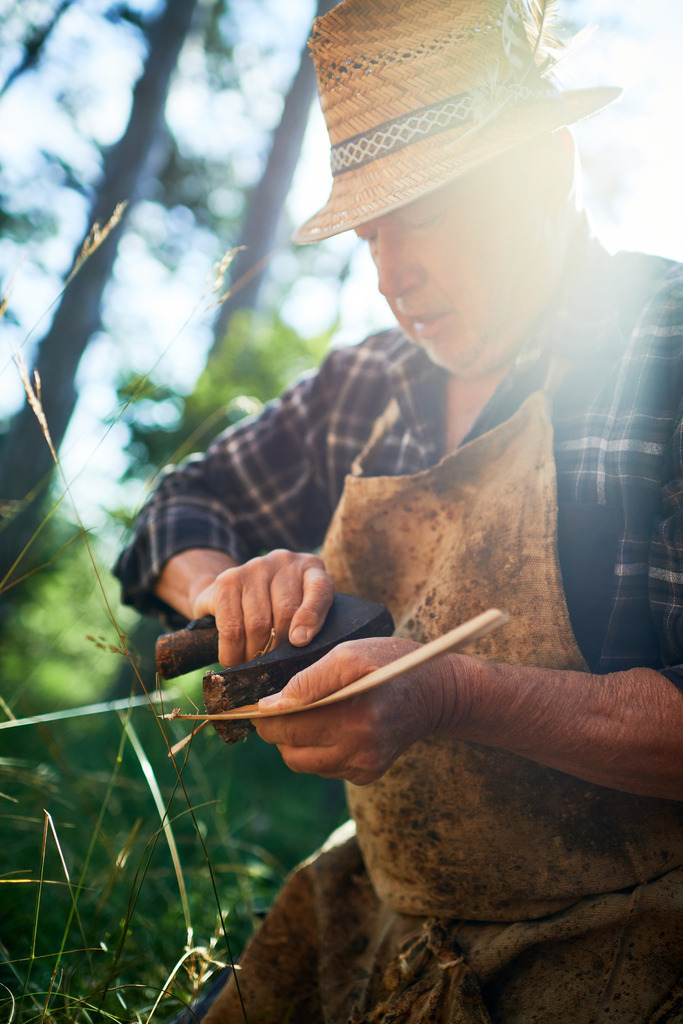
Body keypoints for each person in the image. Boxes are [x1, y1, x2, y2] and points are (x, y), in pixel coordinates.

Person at [115, 0, 683, 1021]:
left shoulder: (663, 353)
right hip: (377, 917)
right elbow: (177, 507)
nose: (390, 276)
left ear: (543, 171)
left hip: (629, 941)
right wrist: (230, 589)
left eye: (420, 214)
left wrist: (453, 696)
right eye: (368, 232)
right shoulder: (363, 386)